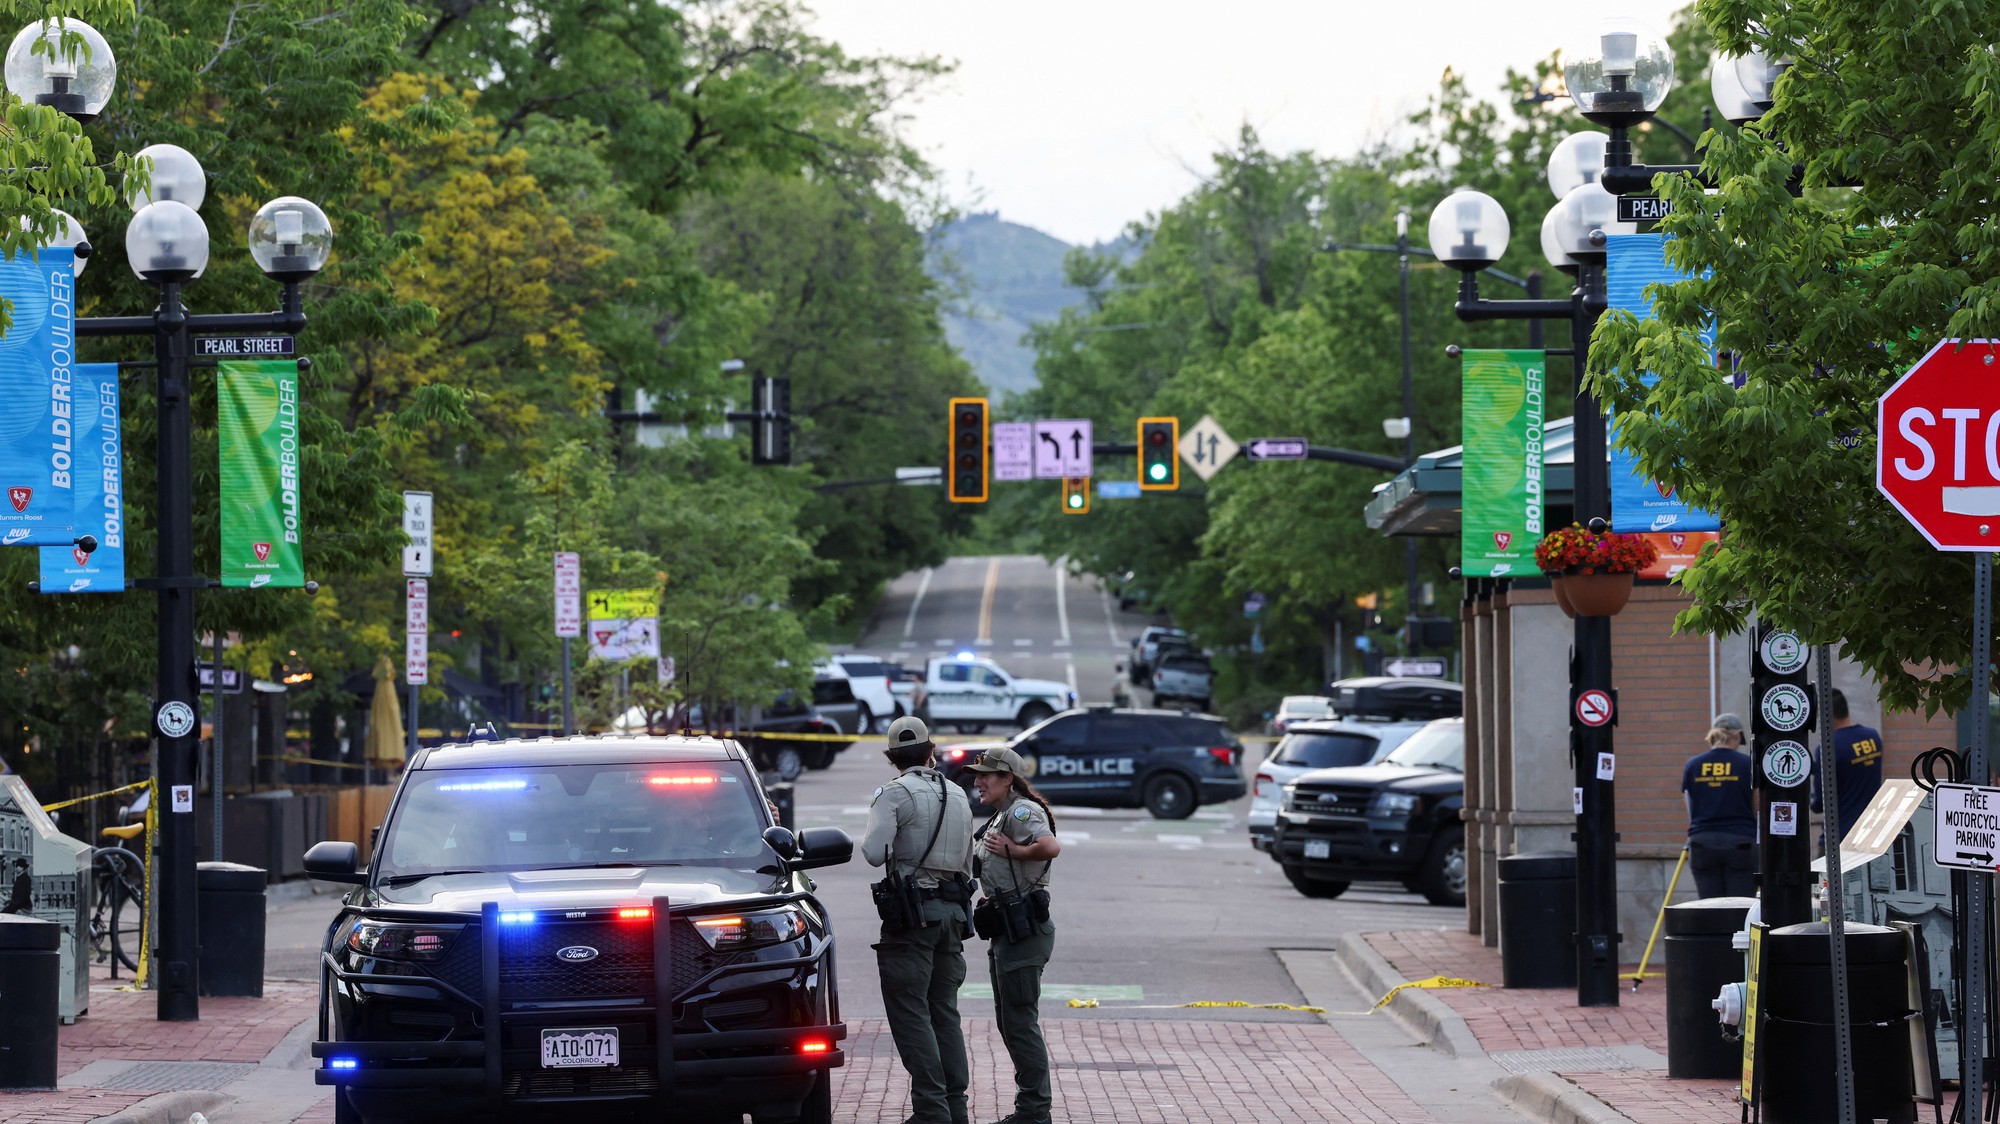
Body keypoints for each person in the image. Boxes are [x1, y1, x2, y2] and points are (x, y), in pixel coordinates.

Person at [862, 716, 976, 1124]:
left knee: (912, 1012)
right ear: (931, 751)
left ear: (893, 758)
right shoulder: (959, 795)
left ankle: (931, 1110)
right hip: (951, 913)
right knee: (944, 1010)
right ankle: (955, 1106)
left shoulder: (893, 794)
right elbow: (968, 864)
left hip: (913, 918)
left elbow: (874, 853)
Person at [966, 746, 1061, 1124]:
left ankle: (1035, 1112)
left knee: (1020, 1024)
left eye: (987, 774)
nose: (978, 781)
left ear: (1008, 778)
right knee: (1010, 1023)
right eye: (977, 774)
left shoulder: (1022, 811)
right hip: (1008, 931)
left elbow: (1050, 846)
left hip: (1025, 933)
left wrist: (1014, 849)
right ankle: (1030, 1107)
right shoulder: (999, 816)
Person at [1680, 713, 1757, 898]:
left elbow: (1690, 808)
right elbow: (1757, 807)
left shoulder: (1693, 765)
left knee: (1710, 907)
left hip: (1702, 842)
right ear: (1737, 736)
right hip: (1740, 841)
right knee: (1740, 907)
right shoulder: (1747, 764)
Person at [1813, 688, 1885, 850]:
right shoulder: (1872, 737)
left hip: (1839, 837)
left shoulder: (1829, 747)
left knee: (1824, 876)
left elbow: (1820, 803)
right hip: (1869, 834)